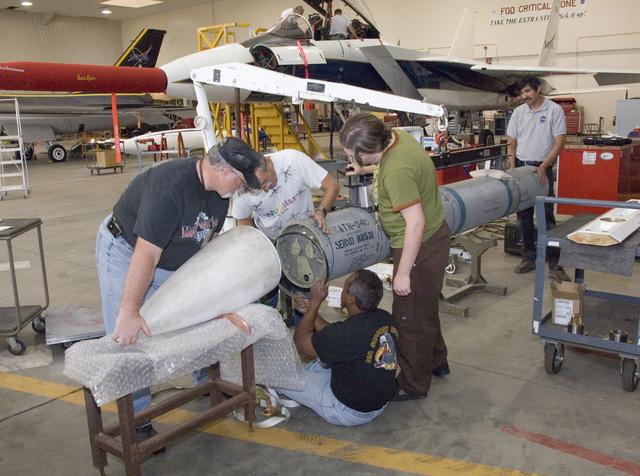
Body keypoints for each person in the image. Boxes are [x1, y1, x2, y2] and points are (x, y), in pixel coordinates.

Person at [95, 137, 262, 442]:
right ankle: (136, 420)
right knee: (129, 338)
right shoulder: (169, 189)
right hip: (127, 252)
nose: (241, 189)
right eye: (240, 181)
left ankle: (205, 383)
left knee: (197, 319)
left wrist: (216, 302)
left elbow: (205, 249)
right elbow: (146, 255)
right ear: (225, 171)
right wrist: (130, 311)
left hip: (172, 255)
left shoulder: (219, 194)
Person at [339, 113, 451, 401]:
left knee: (409, 317)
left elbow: (415, 223)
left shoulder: (396, 170)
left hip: (418, 245)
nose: (348, 156)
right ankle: (436, 360)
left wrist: (402, 272)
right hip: (430, 238)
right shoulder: (396, 137)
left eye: (352, 154)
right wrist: (366, 170)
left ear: (369, 149)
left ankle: (413, 384)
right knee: (424, 307)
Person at [277, 270, 398, 426]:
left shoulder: (346, 335)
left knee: (277, 375)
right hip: (378, 403)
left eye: (345, 287)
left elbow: (300, 343)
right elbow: (334, 335)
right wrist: (310, 312)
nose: (342, 290)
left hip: (347, 410)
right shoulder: (384, 317)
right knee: (320, 359)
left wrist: (314, 303)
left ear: (350, 299)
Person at [231, 148, 339, 321]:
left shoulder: (293, 160)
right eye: (259, 187)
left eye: (265, 182)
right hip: (269, 244)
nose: (265, 189)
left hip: (302, 241)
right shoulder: (242, 187)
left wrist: (321, 212)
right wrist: (256, 248)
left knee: (304, 304)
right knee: (265, 304)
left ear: (267, 162)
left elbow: (332, 185)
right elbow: (243, 220)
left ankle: (301, 340)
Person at [506, 76, 571, 283]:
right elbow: (512, 142)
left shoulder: (554, 110)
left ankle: (554, 263)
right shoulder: (518, 112)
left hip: (543, 170)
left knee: (547, 219)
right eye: (522, 93)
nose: (524, 96)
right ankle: (529, 258)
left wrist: (544, 166)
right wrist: (512, 168)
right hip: (523, 169)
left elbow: (560, 141)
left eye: (528, 92)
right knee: (523, 217)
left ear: (538, 89)